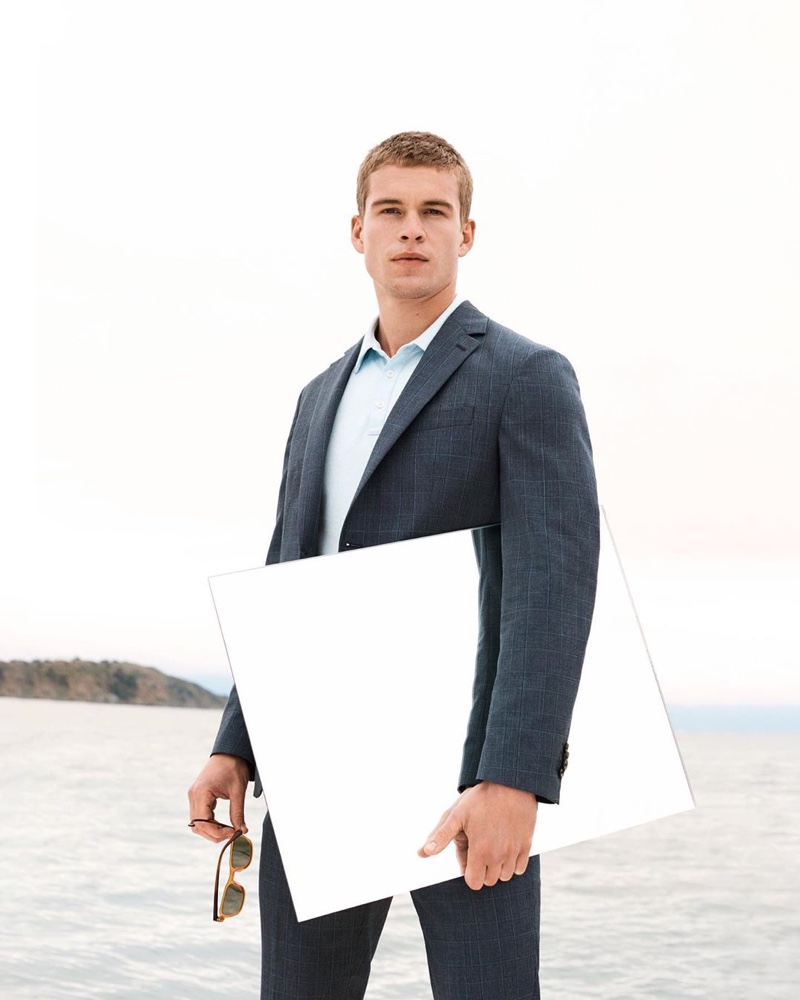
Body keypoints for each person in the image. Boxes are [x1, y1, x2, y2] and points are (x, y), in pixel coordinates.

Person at [188, 131, 600, 1000]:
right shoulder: (317, 397)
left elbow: (552, 584)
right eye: (392, 211)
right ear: (358, 231)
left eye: (433, 212)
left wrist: (514, 777)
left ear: (467, 233)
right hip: (316, 762)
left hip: (463, 774)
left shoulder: (526, 376)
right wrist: (238, 744)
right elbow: (286, 582)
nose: (411, 229)